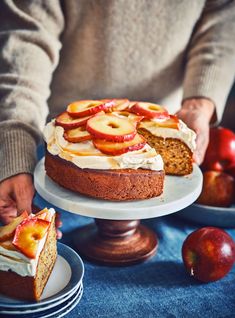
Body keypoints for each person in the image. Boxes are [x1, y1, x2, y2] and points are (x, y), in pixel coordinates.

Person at [0, 0, 234, 225]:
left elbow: (223, 18)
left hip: (170, 116)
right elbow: (25, 39)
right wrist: (14, 147)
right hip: (63, 128)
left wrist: (199, 105)